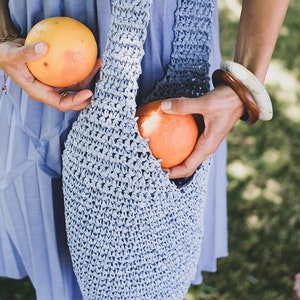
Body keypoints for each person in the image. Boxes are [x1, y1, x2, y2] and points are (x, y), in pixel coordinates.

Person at [0, 0, 289, 299]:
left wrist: (245, 82)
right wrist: (3, 34)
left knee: (145, 265)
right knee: (60, 259)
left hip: (164, 38)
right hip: (39, 46)